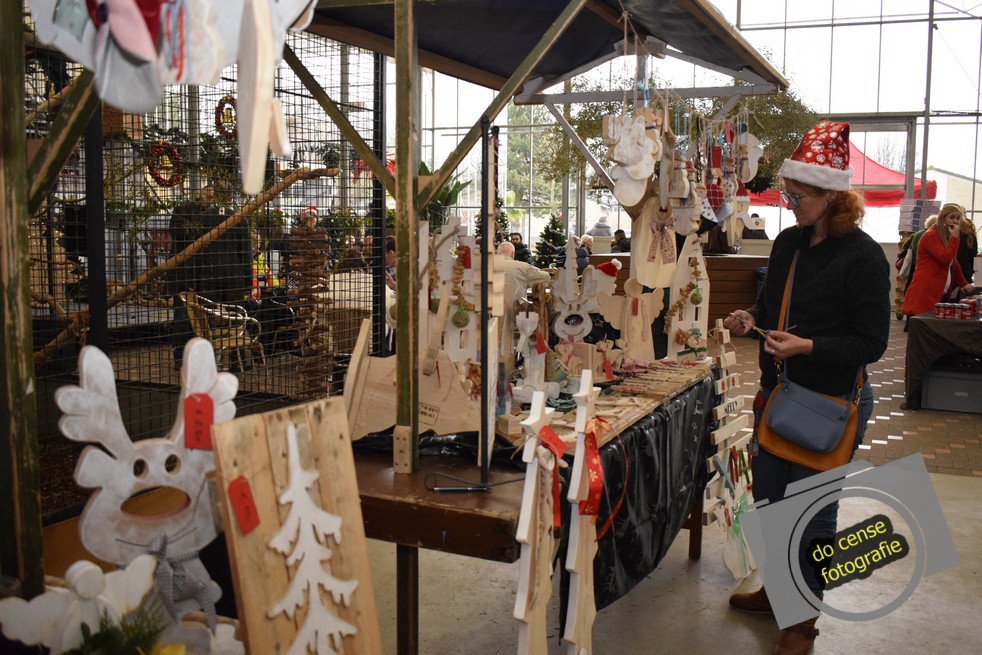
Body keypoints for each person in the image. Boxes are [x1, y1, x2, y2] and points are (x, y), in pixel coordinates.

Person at [723, 121, 891, 655]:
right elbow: (770, 303)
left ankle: (802, 622)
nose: (790, 204)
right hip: (779, 397)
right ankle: (779, 591)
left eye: (799, 197)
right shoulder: (789, 242)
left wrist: (807, 347)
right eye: (788, 195)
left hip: (830, 404)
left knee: (813, 516)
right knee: (771, 505)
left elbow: (872, 342)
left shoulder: (863, 257)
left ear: (832, 196)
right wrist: (751, 317)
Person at [902, 203, 974, 318]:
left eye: (957, 218)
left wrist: (963, 283)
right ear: (943, 218)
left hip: (938, 291)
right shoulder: (931, 236)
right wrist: (955, 238)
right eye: (952, 217)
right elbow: (945, 258)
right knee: (923, 325)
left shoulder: (944, 236)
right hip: (925, 291)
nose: (955, 221)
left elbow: (953, 263)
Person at [955, 211, 977, 287]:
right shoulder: (969, 231)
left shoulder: (951, 231)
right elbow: (973, 254)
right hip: (966, 271)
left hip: (957, 271)